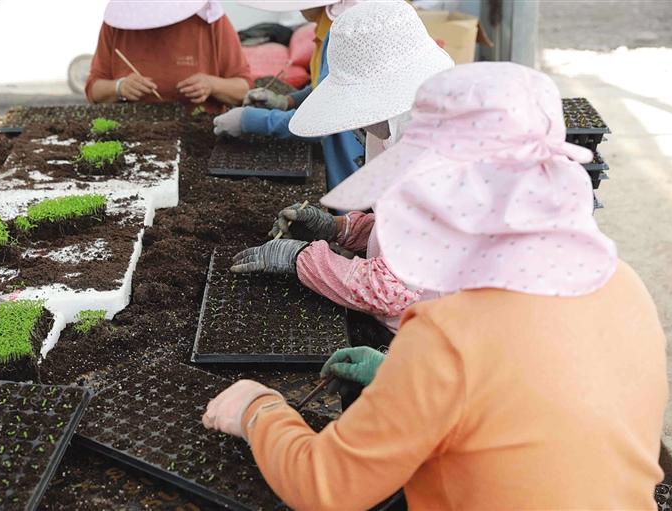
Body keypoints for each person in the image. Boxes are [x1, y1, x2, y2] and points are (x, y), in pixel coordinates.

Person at [203, 63, 669, 510]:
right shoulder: (623, 284)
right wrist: (400, 379)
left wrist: (258, 410)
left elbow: (326, 486)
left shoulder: (448, 334)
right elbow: (535, 406)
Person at [229, 0, 455, 333]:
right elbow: (414, 234)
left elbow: (389, 290)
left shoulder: (429, 160)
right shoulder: (410, 125)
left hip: (435, 336)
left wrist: (301, 258)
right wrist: (341, 230)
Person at [213, 0, 366, 190]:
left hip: (352, 166)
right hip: (348, 156)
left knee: (355, 214)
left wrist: (249, 119)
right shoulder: (330, 31)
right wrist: (287, 101)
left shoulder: (345, 36)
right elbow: (327, 87)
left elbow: (320, 121)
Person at [85, 0, 251, 113]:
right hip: (131, 132)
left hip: (199, 134)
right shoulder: (118, 23)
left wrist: (212, 85)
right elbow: (94, 89)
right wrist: (119, 87)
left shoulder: (210, 19)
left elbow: (244, 89)